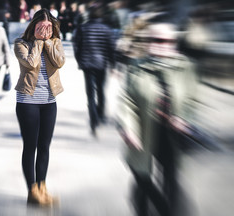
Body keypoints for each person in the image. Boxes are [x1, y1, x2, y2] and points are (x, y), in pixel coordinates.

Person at [117, 21, 198, 216]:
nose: (161, 44)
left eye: (166, 40)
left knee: (170, 177)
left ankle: (170, 210)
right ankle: (156, 208)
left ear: (174, 42)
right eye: (155, 39)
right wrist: (129, 128)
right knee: (141, 174)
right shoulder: (136, 66)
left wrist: (183, 118)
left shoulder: (184, 67)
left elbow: (192, 98)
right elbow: (127, 100)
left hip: (170, 133)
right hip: (143, 130)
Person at [13, 8, 65, 206]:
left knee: (44, 147)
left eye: (49, 27)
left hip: (50, 102)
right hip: (28, 102)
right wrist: (38, 41)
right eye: (42, 27)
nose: (46, 30)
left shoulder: (56, 42)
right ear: (33, 26)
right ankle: (32, 191)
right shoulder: (21, 43)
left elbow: (59, 62)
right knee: (30, 146)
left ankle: (42, 188)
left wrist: (49, 42)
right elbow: (31, 64)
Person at [72, 5, 116, 136]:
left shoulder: (83, 28)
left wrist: (79, 60)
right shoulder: (107, 29)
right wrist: (113, 64)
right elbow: (111, 48)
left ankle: (93, 120)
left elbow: (77, 46)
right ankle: (101, 114)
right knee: (101, 90)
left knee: (90, 94)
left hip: (87, 64)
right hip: (101, 64)